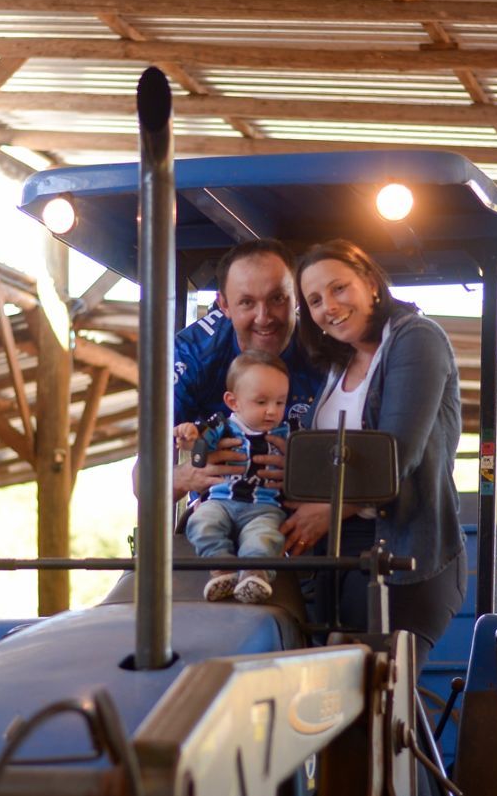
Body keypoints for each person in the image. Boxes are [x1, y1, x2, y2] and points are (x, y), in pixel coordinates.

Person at [280, 239, 468, 647]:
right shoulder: (339, 362)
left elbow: (398, 453)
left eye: (338, 288)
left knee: (376, 691)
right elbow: (333, 458)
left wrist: (331, 509)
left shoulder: (416, 338)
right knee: (343, 698)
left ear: (370, 283)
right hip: (336, 561)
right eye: (313, 300)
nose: (327, 306)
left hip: (403, 553)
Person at [167, 239, 322, 500]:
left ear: (297, 295)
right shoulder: (189, 354)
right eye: (247, 302)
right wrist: (187, 475)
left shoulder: (331, 346)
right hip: (220, 515)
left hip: (310, 516)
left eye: (277, 298)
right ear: (224, 305)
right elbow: (143, 481)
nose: (264, 317)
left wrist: (309, 475)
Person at [176, 351, 293, 603]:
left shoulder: (288, 434)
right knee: (201, 522)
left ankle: (254, 574)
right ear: (233, 402)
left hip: (264, 507)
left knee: (266, 536)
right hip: (221, 501)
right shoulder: (222, 426)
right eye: (261, 402)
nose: (272, 411)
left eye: (280, 402)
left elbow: (306, 463)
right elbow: (200, 447)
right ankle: (222, 568)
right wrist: (191, 439)